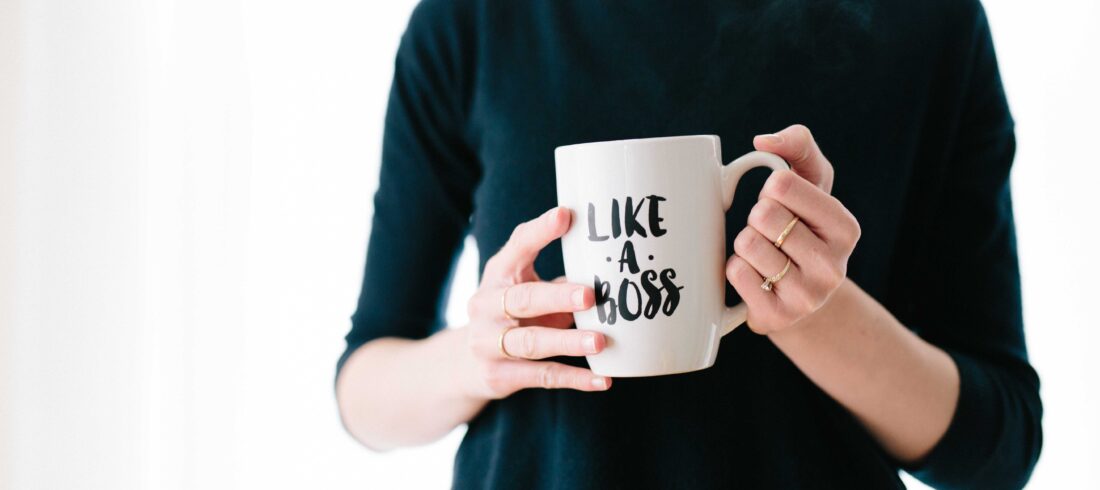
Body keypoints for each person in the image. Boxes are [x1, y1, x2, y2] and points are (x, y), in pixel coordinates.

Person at [334, 1, 1042, 488]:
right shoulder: (473, 22)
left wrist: (816, 315)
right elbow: (363, 389)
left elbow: (997, 445)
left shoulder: (926, 24)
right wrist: (480, 356)